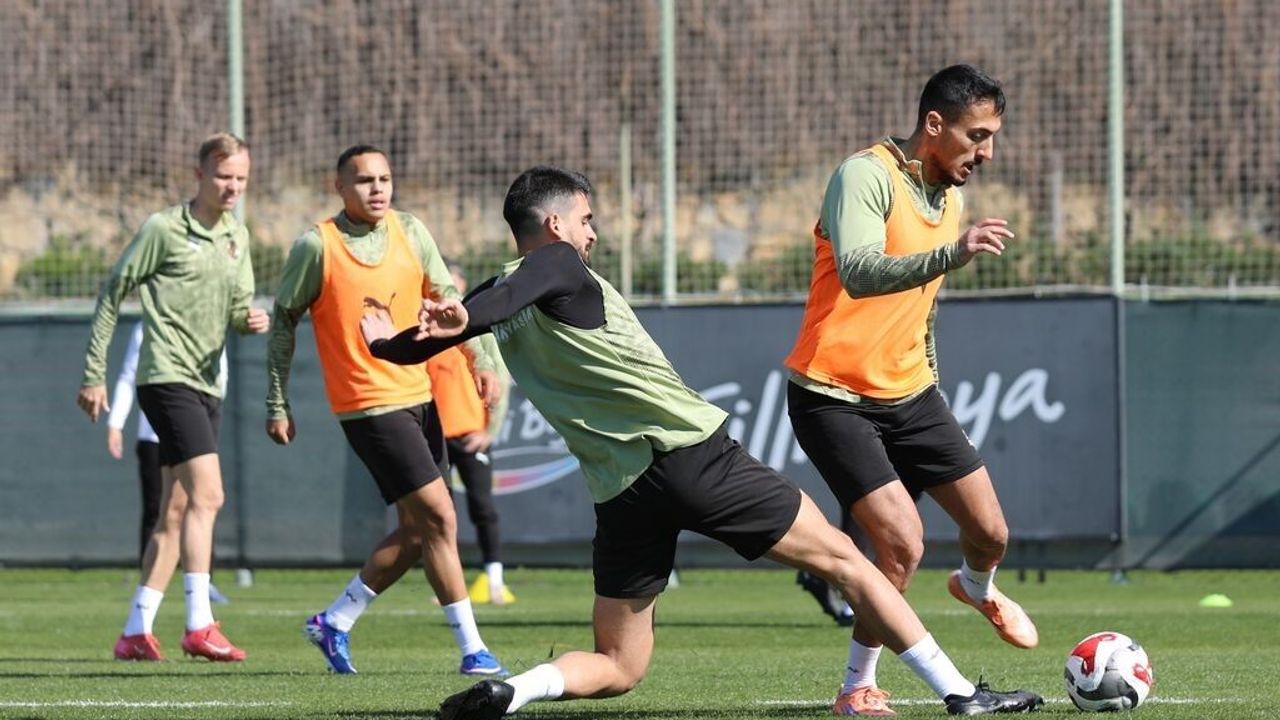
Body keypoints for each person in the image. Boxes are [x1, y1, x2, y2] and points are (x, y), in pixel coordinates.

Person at [361, 166, 1043, 718]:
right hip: (692, 457)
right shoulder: (556, 263)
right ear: (556, 225)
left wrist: (391, 344)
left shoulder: (499, 293)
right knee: (851, 563)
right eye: (587, 219)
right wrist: (462, 313)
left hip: (622, 494)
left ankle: (516, 691)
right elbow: (524, 285)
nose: (593, 233)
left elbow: (446, 330)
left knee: (620, 666)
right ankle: (962, 693)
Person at [783, 64, 1037, 716]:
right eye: (976, 136)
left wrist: (930, 387)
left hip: (912, 395)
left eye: (991, 138)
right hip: (833, 395)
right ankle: (856, 688)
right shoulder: (864, 177)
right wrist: (954, 253)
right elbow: (861, 272)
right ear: (934, 124)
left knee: (991, 533)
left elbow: (920, 312)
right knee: (901, 544)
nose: (987, 153)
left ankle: (975, 585)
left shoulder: (949, 199)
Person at [265, 144, 505, 676]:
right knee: (441, 515)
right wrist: (277, 401)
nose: (377, 188)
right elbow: (283, 322)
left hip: (420, 395)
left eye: (385, 178)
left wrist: (481, 358)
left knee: (418, 533)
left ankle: (335, 621)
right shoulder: (317, 246)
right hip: (368, 404)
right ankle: (473, 651)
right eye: (364, 180)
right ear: (339, 188)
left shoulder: (411, 231)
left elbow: (448, 297)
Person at [78, 132, 268, 662]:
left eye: (241, 178)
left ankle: (135, 631)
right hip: (165, 378)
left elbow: (237, 309)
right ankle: (199, 623)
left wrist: (249, 320)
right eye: (223, 176)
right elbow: (113, 292)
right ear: (200, 174)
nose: (232, 187)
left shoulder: (236, 236)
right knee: (210, 495)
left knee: (177, 510)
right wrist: (94, 374)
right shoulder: (163, 229)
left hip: (209, 384)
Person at [107, 320, 231, 604]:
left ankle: (202, 586)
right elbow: (128, 375)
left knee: (203, 502)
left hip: (195, 432)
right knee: (161, 512)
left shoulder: (209, 320)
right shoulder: (146, 326)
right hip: (154, 435)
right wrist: (115, 423)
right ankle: (148, 591)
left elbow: (219, 374)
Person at [427, 264, 515, 606]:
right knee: (440, 514)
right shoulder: (427, 328)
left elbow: (500, 380)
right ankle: (448, 585)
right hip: (436, 436)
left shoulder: (477, 330)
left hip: (470, 434)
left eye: (454, 285)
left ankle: (494, 580)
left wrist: (489, 430)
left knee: (482, 508)